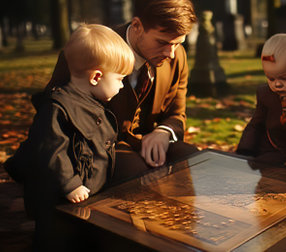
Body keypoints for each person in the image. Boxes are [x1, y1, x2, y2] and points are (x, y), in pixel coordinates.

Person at [4, 24, 135, 250]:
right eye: (120, 79)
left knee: (81, 237)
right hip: (57, 199)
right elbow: (50, 152)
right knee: (55, 239)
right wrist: (70, 184)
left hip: (85, 195)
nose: (122, 86)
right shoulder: (58, 108)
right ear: (96, 77)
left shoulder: (93, 104)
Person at [46, 0, 199, 185]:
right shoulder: (91, 48)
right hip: (98, 147)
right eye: (162, 42)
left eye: (177, 44)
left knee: (195, 160)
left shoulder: (177, 57)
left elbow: (177, 113)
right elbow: (54, 108)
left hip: (152, 142)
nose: (171, 53)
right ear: (137, 26)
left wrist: (163, 132)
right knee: (136, 173)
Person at [236, 33, 286, 165]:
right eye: (271, 78)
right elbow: (256, 125)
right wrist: (244, 152)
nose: (277, 84)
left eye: (284, 78)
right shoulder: (265, 93)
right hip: (269, 151)